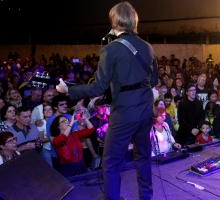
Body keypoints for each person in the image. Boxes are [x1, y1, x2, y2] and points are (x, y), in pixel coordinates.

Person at [56, 2, 158, 199]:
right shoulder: (147, 47)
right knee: (143, 157)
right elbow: (153, 80)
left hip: (124, 113)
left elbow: (98, 87)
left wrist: (68, 90)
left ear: (114, 22)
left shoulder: (110, 49)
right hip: (145, 109)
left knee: (111, 162)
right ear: (134, 21)